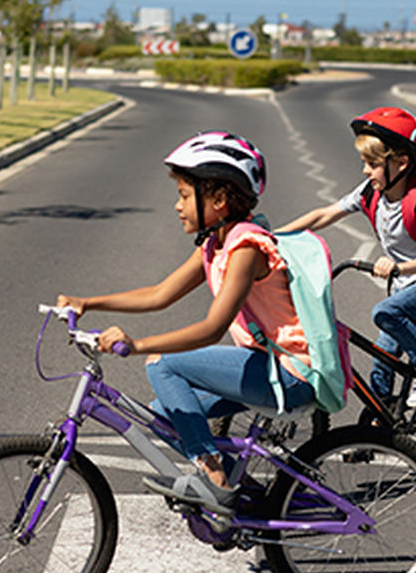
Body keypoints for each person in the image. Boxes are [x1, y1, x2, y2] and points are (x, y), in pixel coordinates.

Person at [56, 131, 316, 516]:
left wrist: (140, 345)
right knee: (163, 416)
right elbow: (159, 294)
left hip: (291, 374)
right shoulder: (216, 244)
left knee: (163, 363)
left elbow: (213, 328)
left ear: (219, 199)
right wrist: (88, 303)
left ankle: (215, 481)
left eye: (183, 194)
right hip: (265, 368)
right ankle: (247, 496)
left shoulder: (245, 248)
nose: (177, 206)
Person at [277, 106, 416, 409]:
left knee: (384, 313)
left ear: (401, 163)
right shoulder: (369, 193)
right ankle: (379, 422)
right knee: (382, 360)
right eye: (364, 162)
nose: (365, 170)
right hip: (407, 287)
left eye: (372, 163)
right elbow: (324, 214)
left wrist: (398, 267)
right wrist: (273, 236)